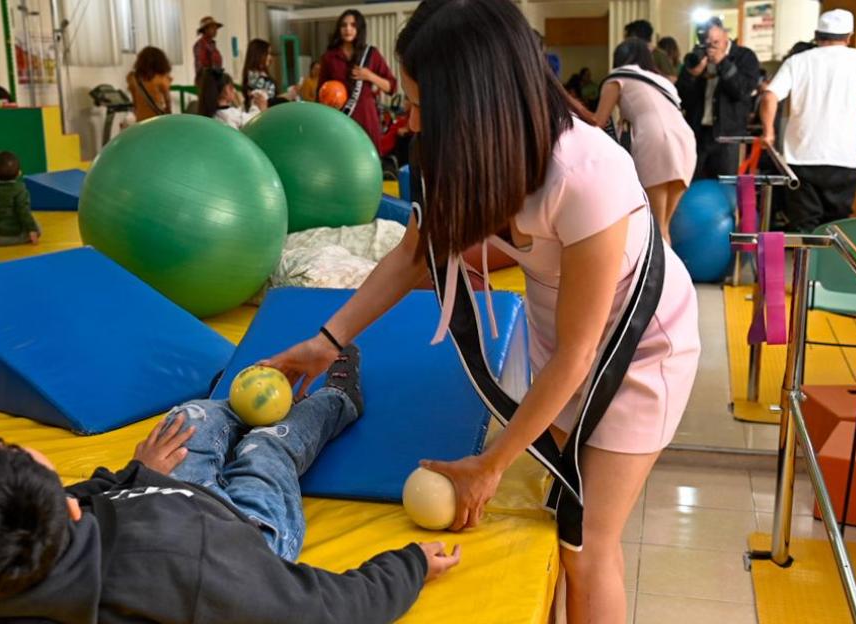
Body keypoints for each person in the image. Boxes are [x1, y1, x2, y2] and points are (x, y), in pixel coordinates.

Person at [267, 2, 699, 622]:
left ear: (473, 101)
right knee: (558, 515)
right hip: (564, 336)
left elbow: (582, 354)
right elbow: (414, 255)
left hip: (638, 350)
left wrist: (491, 465)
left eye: (422, 104)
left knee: (586, 545)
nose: (412, 120)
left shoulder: (586, 172)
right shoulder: (467, 154)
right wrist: (326, 341)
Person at [0, 349, 462, 623]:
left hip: (159, 501)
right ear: (69, 510)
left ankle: (242, 402)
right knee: (266, 450)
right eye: (17, 452)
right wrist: (410, 564)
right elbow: (322, 611)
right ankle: (338, 401)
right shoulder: (191, 569)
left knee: (189, 418)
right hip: (243, 534)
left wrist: (132, 476)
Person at [760, 10, 856, 233]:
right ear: (849, 36)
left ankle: (806, 256)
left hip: (801, 158)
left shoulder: (797, 61)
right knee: (837, 229)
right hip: (842, 158)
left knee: (804, 229)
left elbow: (769, 96)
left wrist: (768, 132)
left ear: (817, 35)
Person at [593, 39, 696, 240]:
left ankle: (659, 261)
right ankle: (669, 260)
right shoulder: (661, 81)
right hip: (685, 140)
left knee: (655, 226)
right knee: (664, 226)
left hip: (655, 139)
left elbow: (598, 121)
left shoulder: (617, 76)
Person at [677, 18, 761, 179]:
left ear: (725, 36)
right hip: (698, 135)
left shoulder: (744, 57)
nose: (711, 48)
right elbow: (681, 99)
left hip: (728, 137)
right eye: (706, 43)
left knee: (726, 187)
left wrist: (723, 62)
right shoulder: (697, 57)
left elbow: (742, 91)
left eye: (715, 42)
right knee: (694, 185)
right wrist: (692, 75)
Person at [318, 9, 397, 151]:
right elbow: (320, 92)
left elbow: (391, 87)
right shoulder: (329, 57)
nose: (348, 29)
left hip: (366, 117)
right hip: (339, 118)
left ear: (359, 28)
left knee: (369, 157)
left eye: (353, 25)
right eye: (344, 25)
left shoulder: (371, 54)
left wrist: (370, 76)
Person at [198, 69, 265, 130]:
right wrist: (257, 106)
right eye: (231, 87)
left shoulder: (211, 114)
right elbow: (252, 119)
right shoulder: (231, 115)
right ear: (224, 91)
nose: (234, 90)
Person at [242, 38, 294, 109]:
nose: (270, 57)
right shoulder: (253, 77)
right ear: (259, 54)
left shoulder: (261, 74)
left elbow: (270, 98)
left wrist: (288, 95)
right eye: (268, 54)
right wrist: (287, 96)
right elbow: (266, 102)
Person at [127, 46, 173, 122]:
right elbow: (167, 100)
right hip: (157, 120)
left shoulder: (133, 78)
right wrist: (168, 111)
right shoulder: (161, 78)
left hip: (141, 120)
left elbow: (135, 103)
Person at [193, 16, 225, 84]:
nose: (215, 30)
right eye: (212, 27)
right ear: (205, 30)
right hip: (207, 83)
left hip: (215, 81)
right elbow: (200, 68)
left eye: (216, 28)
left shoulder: (212, 45)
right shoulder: (200, 45)